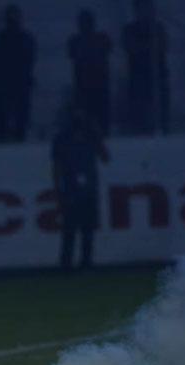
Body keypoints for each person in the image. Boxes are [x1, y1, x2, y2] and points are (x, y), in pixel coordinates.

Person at [51, 106, 110, 270]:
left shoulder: (91, 135)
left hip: (89, 189)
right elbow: (56, 167)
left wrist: (97, 135)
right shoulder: (62, 138)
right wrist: (58, 191)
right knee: (69, 230)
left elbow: (105, 157)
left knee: (88, 230)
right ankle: (66, 265)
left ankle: (86, 263)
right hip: (70, 189)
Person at [0, 4, 37, 142]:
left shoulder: (26, 38)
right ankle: (2, 134)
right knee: (3, 110)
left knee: (22, 111)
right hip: (5, 81)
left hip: (21, 80)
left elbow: (30, 58)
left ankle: (19, 134)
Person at [122, 0, 170, 134]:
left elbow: (163, 46)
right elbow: (131, 47)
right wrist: (148, 47)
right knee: (140, 117)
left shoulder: (158, 28)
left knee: (161, 113)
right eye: (142, 8)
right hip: (138, 79)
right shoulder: (129, 30)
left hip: (158, 78)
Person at [68, 9, 113, 135]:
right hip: (83, 85)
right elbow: (73, 54)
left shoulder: (102, 38)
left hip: (100, 84)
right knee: (85, 120)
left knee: (102, 118)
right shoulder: (75, 41)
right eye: (83, 22)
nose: (86, 26)